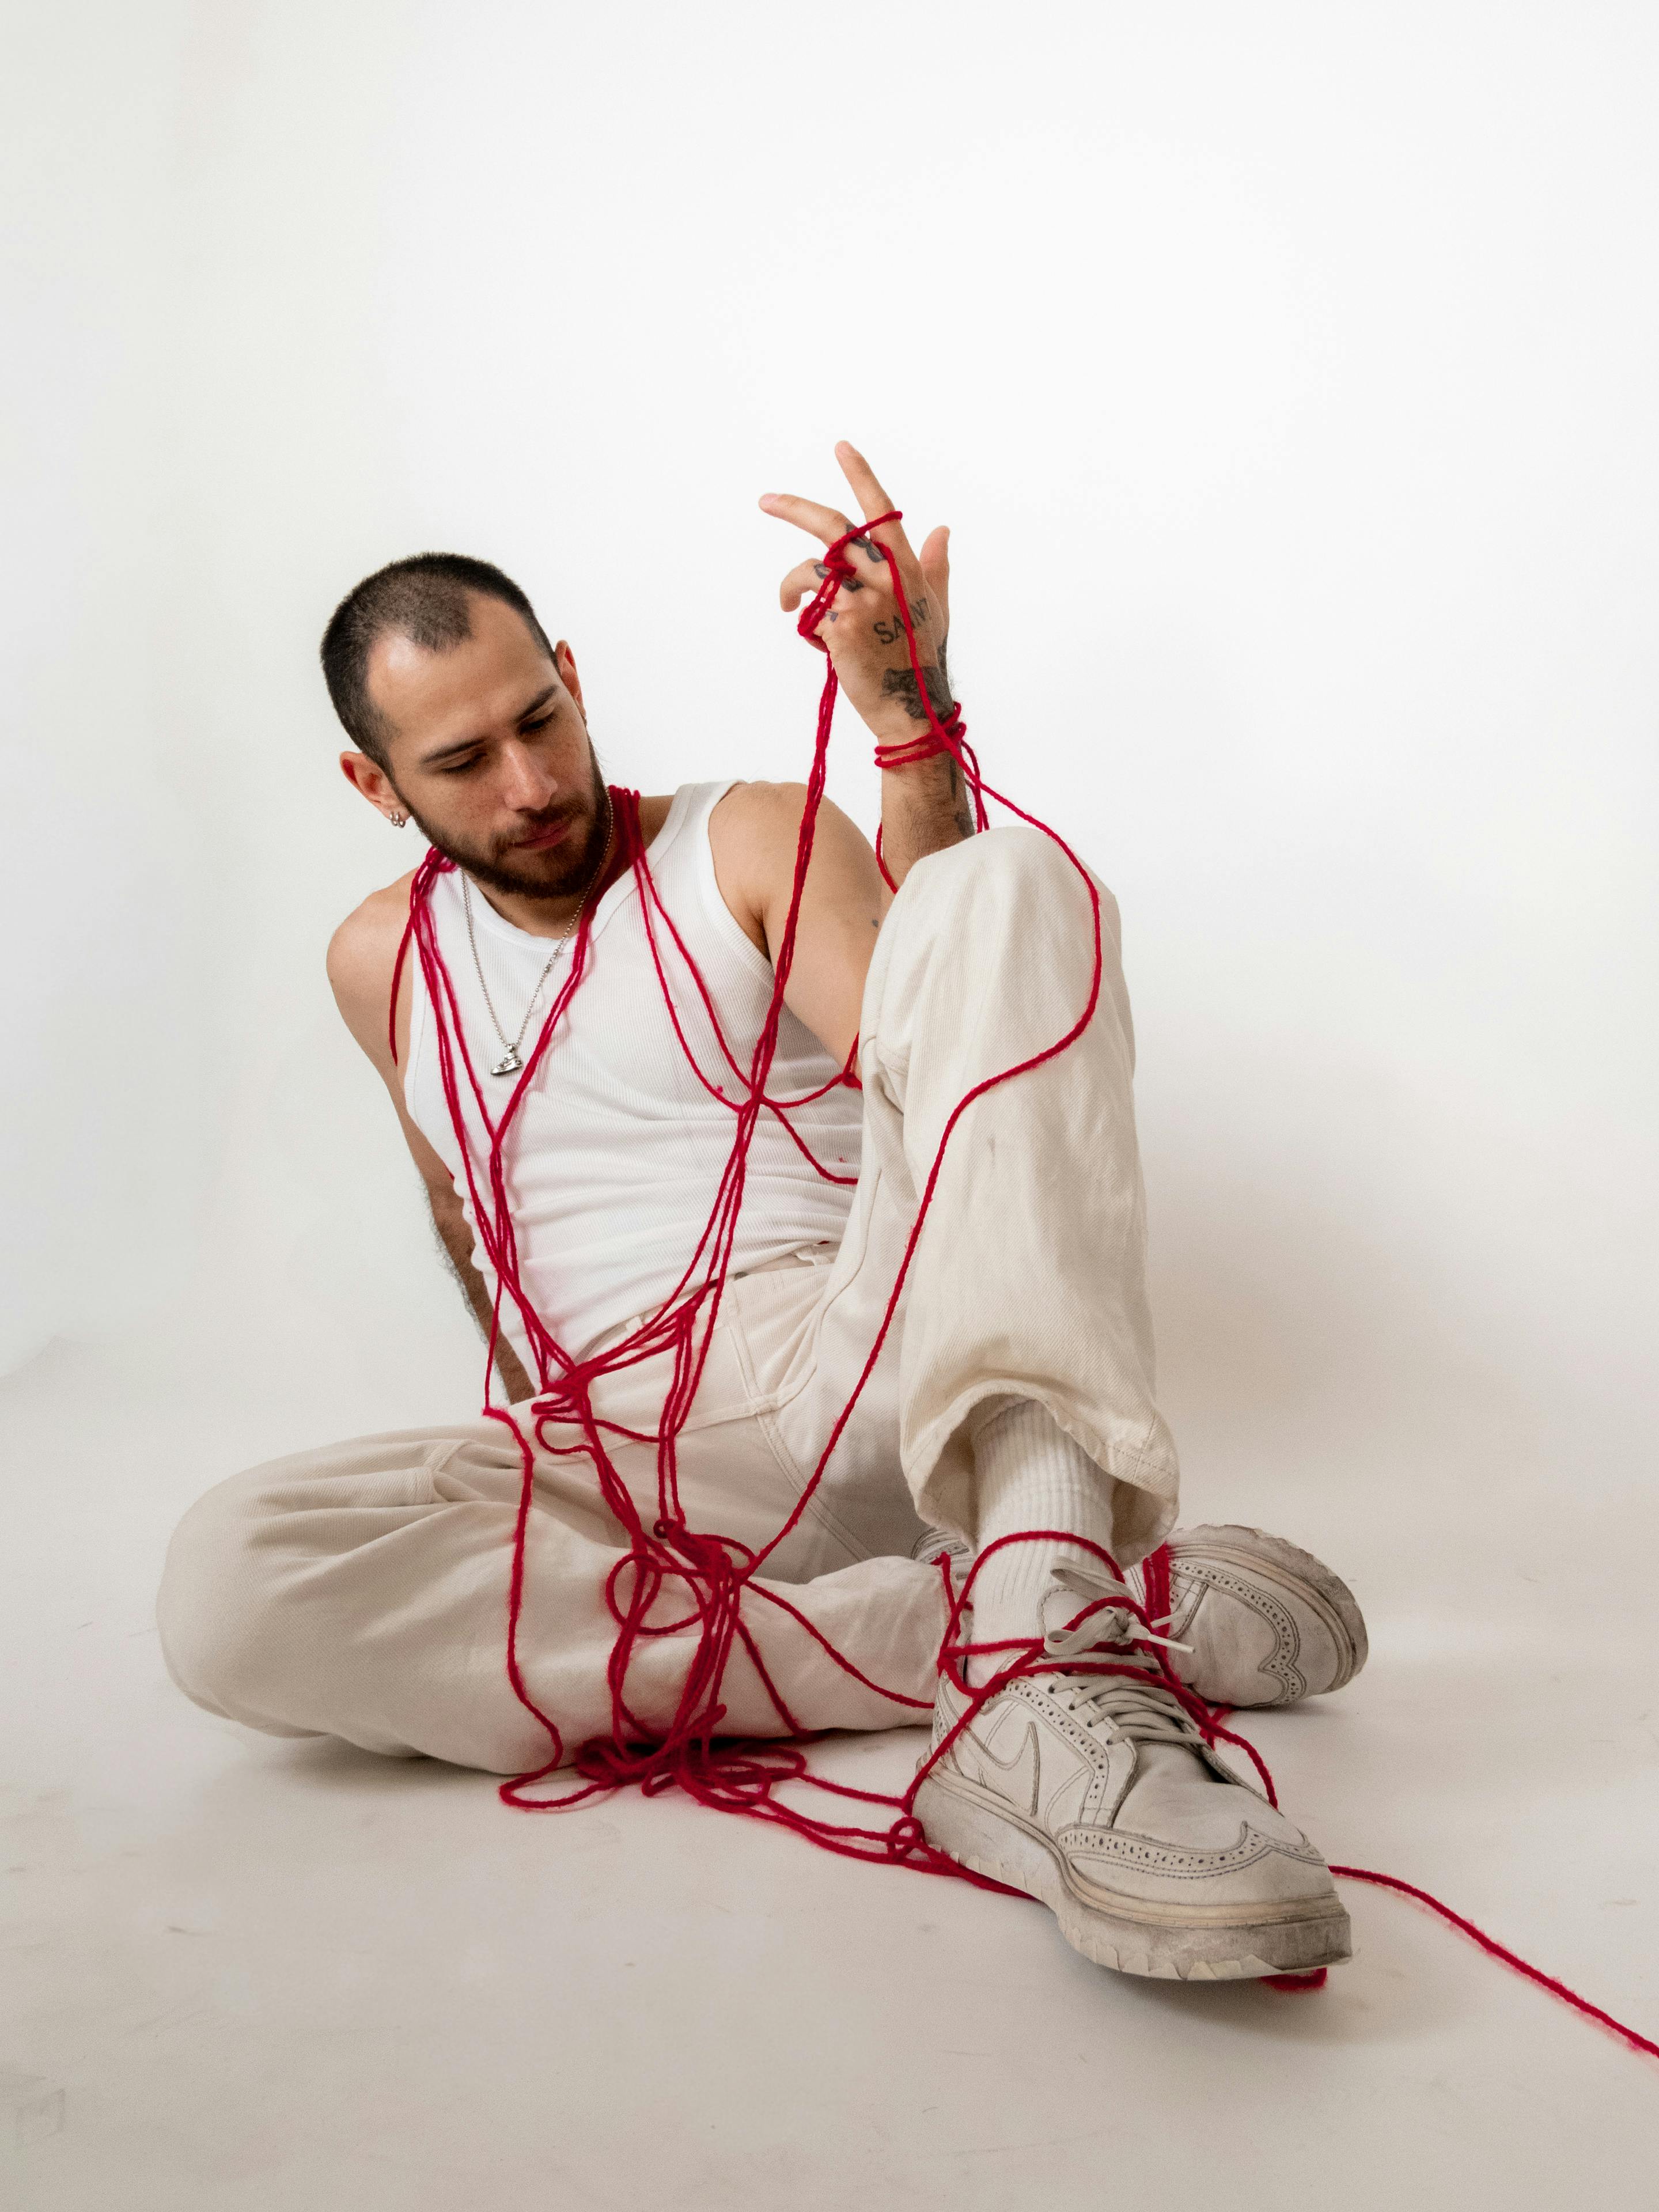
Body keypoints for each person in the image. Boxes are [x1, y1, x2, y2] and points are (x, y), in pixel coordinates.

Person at [158, 445, 1367, 1984]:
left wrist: (908, 729)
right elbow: (475, 1224)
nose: (530, 785)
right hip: (632, 1454)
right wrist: (550, 1474)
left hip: (854, 1359)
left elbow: (950, 1041)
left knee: (1003, 892)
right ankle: (1004, 1623)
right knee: (232, 1583)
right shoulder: (373, 961)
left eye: (542, 721)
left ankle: (1043, 1659)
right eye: (462, 763)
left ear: (575, 680)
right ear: (371, 783)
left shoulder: (739, 839)